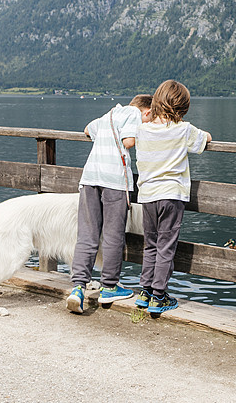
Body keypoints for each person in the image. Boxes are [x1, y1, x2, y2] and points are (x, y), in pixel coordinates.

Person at [66, 94, 153, 314]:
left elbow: (88, 129)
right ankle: (109, 287)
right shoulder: (135, 114)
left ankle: (78, 288)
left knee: (87, 235)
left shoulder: (110, 114)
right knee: (114, 235)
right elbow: (128, 141)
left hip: (89, 179)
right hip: (114, 180)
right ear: (147, 112)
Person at [134, 80, 212, 314]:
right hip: (171, 196)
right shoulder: (183, 130)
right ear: (182, 108)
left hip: (147, 196)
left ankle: (144, 291)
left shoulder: (141, 129)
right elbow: (203, 140)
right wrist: (207, 135)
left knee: (150, 244)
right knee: (166, 247)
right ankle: (159, 296)